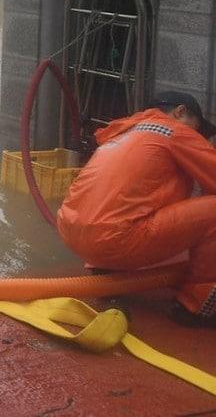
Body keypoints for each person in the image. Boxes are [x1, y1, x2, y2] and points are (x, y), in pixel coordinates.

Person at [57, 92, 216, 327]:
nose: (199, 137)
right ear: (179, 112)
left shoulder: (126, 131)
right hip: (115, 240)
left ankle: (105, 270)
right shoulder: (173, 131)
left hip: (72, 232)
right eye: (197, 128)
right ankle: (195, 307)